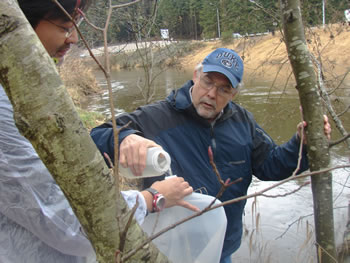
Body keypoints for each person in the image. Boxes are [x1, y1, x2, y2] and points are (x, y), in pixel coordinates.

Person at [91, 48, 332, 263]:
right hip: (170, 244)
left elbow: (272, 165)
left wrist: (302, 143)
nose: (212, 94)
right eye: (207, 82)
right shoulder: (157, 117)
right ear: (196, 76)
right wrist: (125, 138)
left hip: (222, 244)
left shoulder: (243, 121)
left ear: (234, 93)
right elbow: (96, 135)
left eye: (224, 89)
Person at [0, 1, 196, 262]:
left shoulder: (30, 88)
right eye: (65, 27)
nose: (73, 38)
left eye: (77, 26)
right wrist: (152, 198)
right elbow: (70, 224)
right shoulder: (6, 104)